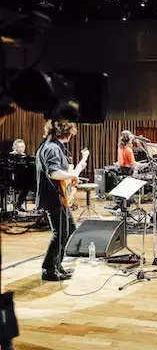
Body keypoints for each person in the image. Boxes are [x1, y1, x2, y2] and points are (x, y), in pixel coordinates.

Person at [35, 120, 85, 281]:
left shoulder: (49, 145)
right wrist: (73, 175)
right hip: (53, 198)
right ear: (67, 133)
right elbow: (53, 172)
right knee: (60, 233)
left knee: (69, 230)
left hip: (58, 197)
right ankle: (49, 270)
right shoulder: (52, 148)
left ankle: (57, 266)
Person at [10, 138, 29, 210]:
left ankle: (18, 203)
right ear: (14, 148)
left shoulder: (25, 157)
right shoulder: (10, 156)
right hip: (10, 179)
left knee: (27, 186)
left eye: (23, 147)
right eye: (19, 147)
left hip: (21, 179)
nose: (21, 149)